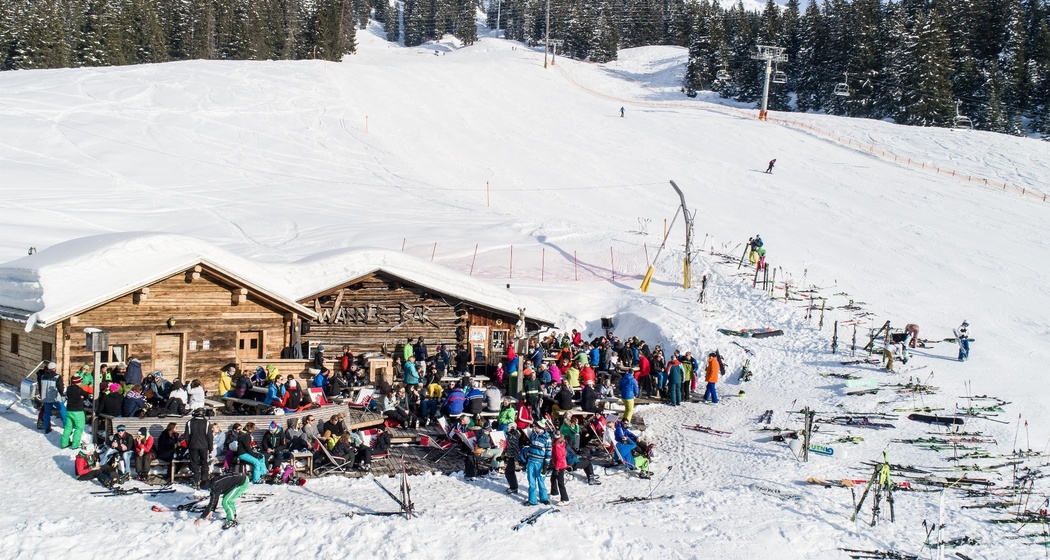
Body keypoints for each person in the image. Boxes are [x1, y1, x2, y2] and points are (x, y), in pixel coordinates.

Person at [523, 423, 552, 506]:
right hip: (531, 461)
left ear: (540, 427)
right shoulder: (533, 435)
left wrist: (546, 466)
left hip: (540, 462)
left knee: (541, 480)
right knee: (531, 481)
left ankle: (544, 498)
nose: (533, 428)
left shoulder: (547, 438)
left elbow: (548, 452)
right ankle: (532, 500)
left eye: (535, 427)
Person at [186, 408, 213, 488]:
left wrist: (189, 444)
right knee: (204, 463)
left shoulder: (190, 422)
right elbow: (210, 437)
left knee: (194, 463)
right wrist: (210, 448)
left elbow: (187, 436)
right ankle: (204, 481)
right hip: (204, 446)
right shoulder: (207, 423)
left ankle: (196, 480)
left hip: (193, 446)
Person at [61, 374, 88, 449]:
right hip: (78, 411)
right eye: (81, 381)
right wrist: (82, 397)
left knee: (68, 427)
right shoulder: (79, 389)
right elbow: (86, 395)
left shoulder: (69, 388)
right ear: (78, 382)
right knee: (79, 428)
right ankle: (75, 444)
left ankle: (64, 443)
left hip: (69, 410)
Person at [37, 362, 65, 434]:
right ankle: (66, 425)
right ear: (54, 368)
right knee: (63, 411)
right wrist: (61, 394)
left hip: (46, 397)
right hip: (56, 397)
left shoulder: (42, 376)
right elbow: (60, 387)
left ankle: (47, 428)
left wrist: (41, 394)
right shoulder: (57, 377)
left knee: (46, 413)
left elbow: (40, 387)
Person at [550, 432, 571, 505]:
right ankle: (554, 493)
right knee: (553, 478)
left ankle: (565, 499)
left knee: (560, 482)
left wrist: (557, 468)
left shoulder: (557, 445)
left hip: (560, 465)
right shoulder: (560, 443)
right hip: (559, 464)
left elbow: (559, 458)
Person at [503, 424, 522, 494]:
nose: (506, 429)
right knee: (511, 472)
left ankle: (514, 487)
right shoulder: (511, 434)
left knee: (508, 472)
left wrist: (515, 459)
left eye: (508, 428)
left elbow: (512, 447)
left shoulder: (513, 436)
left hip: (513, 456)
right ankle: (514, 486)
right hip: (511, 455)